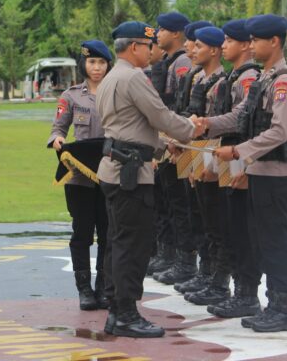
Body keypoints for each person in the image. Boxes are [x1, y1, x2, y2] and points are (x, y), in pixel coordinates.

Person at [199, 14, 287, 333]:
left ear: (274, 41)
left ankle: (282, 308)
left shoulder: (284, 82)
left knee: (275, 241)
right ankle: (271, 305)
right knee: (261, 238)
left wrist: (237, 152)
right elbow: (240, 115)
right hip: (260, 171)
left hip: (275, 173)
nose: (252, 45)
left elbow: (279, 132)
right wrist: (207, 124)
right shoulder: (264, 80)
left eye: (257, 40)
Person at [96, 21, 200, 338]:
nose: (151, 50)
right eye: (147, 45)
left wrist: (159, 144)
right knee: (134, 245)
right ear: (135, 47)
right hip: (131, 173)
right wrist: (191, 128)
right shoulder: (134, 77)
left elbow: (130, 126)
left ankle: (118, 309)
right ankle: (126, 313)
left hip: (116, 166)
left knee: (119, 242)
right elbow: (159, 116)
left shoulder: (112, 77)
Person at [47, 40, 112, 311]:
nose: (96, 68)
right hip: (80, 175)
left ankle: (105, 288)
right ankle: (84, 289)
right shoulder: (71, 96)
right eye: (91, 62)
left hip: (111, 172)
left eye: (101, 62)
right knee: (82, 233)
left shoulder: (117, 92)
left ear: (109, 65)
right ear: (84, 64)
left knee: (108, 233)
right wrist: (58, 141)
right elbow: (57, 128)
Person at [206, 18, 262, 319]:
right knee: (230, 225)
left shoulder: (249, 77)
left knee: (242, 229)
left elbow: (246, 124)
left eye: (228, 40)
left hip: (241, 156)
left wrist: (246, 165)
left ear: (244, 44)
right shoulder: (237, 76)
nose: (223, 45)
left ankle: (247, 295)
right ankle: (240, 292)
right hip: (230, 155)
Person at [182, 26, 230, 306]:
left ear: (213, 50)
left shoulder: (222, 81)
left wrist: (210, 163)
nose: (193, 50)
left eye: (199, 46)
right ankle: (207, 274)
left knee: (216, 221)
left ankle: (218, 281)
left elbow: (220, 126)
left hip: (214, 153)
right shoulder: (202, 79)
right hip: (198, 149)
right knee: (201, 218)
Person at [152, 12, 199, 286]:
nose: (158, 34)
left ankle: (184, 260)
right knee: (168, 201)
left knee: (179, 204)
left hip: (177, 141)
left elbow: (178, 107)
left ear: (176, 34)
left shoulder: (181, 63)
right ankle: (170, 253)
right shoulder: (170, 62)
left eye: (163, 29)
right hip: (169, 139)